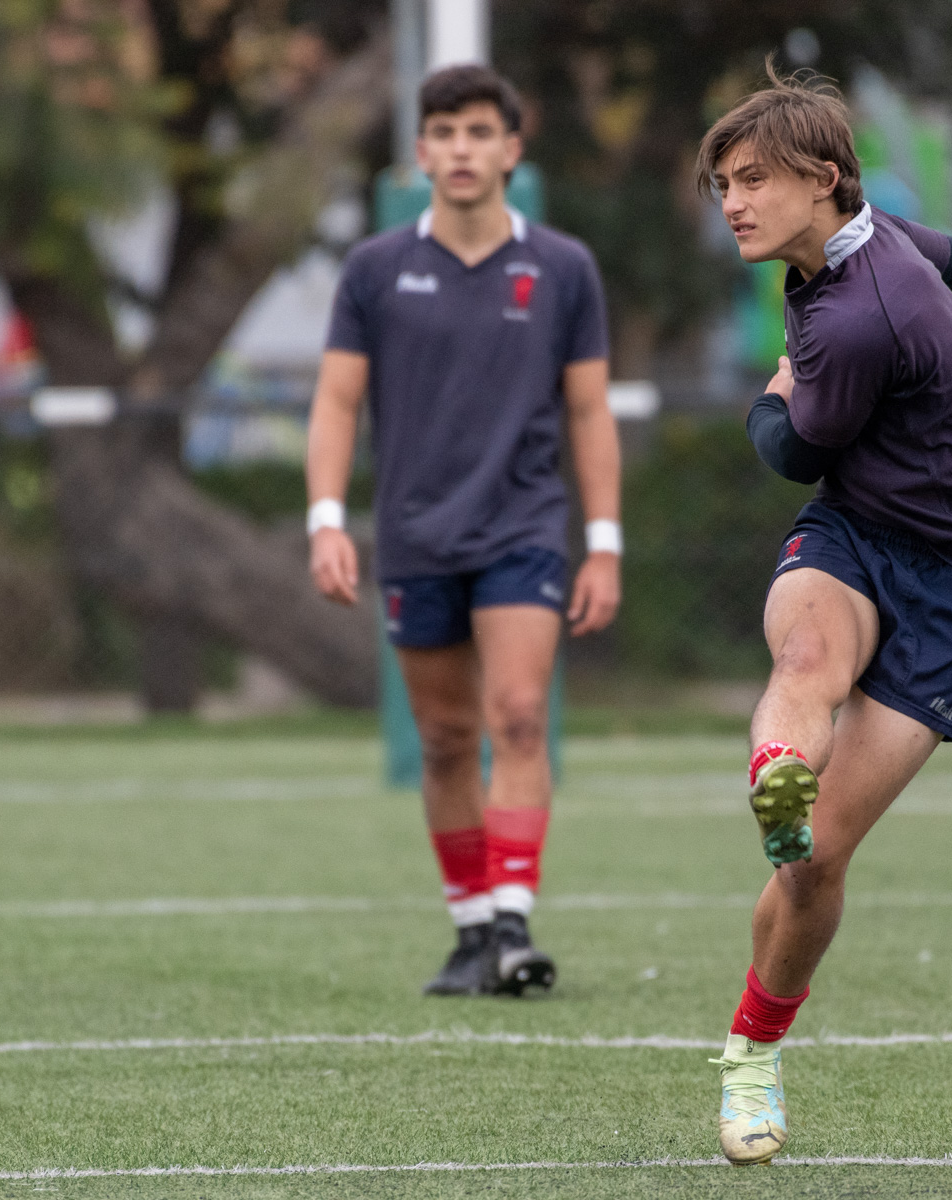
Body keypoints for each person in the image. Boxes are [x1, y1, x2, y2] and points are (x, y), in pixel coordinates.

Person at [694, 66, 952, 1165]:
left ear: (825, 181)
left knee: (813, 867)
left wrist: (775, 385)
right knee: (804, 653)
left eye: (752, 181)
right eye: (723, 184)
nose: (732, 203)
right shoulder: (882, 248)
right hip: (856, 535)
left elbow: (791, 449)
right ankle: (775, 774)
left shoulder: (856, 315)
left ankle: (754, 1033)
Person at [305, 64, 621, 997]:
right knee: (443, 738)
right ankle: (472, 930)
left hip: (523, 527)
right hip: (414, 535)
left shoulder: (563, 269)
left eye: (480, 132)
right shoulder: (373, 270)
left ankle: (515, 925)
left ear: (512, 150)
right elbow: (334, 398)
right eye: (444, 133)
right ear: (420, 152)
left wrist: (604, 541)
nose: (461, 149)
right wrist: (327, 520)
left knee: (518, 715)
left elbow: (592, 414)